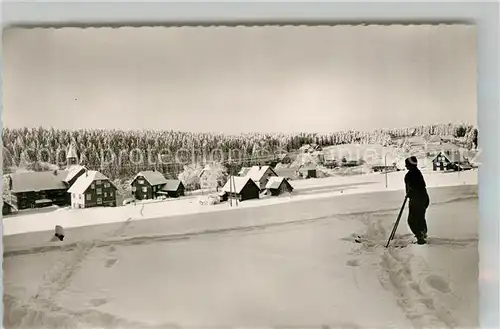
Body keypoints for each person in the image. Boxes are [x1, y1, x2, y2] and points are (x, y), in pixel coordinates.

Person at [404, 156, 430, 244]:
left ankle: (420, 238)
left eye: (407, 164)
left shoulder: (410, 175)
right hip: (424, 198)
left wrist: (410, 193)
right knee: (420, 218)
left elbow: (415, 188)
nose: (405, 166)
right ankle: (422, 233)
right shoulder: (417, 173)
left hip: (417, 200)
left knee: (412, 220)